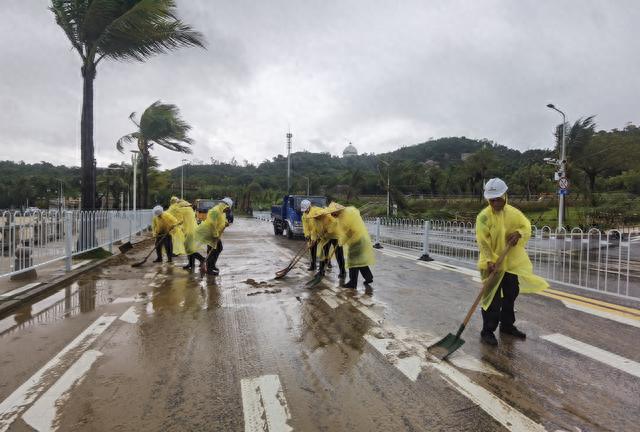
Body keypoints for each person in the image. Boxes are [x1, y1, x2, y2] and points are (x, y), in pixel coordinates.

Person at [476, 178, 549, 346]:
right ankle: (487, 331)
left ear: (505, 196)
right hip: (491, 264)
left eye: (498, 198)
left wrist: (519, 233)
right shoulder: (483, 218)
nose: (495, 202)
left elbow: (526, 226)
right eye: (492, 199)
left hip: (510, 263)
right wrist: (489, 260)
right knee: (492, 298)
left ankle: (507, 325)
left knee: (511, 294)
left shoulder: (514, 213)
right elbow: (483, 242)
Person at [326, 203, 374, 289]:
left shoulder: (345, 216)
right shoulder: (346, 213)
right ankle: (368, 277)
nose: (332, 215)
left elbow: (350, 231)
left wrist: (342, 241)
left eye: (333, 213)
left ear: (337, 211)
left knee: (352, 261)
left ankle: (353, 282)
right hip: (360, 239)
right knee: (359, 260)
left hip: (357, 240)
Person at [195, 197, 232, 275]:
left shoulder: (221, 211)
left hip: (215, 233)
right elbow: (212, 223)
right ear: (226, 205)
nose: (228, 211)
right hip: (210, 233)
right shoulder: (215, 211)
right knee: (213, 250)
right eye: (228, 209)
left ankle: (212, 265)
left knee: (217, 248)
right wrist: (215, 235)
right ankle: (209, 269)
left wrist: (225, 223)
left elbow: (221, 219)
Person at [168, 196, 205, 271]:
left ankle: (202, 259)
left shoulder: (182, 210)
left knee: (189, 250)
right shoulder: (189, 209)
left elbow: (180, 221)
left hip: (189, 232)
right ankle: (191, 264)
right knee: (190, 249)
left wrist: (173, 225)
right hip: (192, 231)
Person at [312, 203, 346, 279]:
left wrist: (327, 231)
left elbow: (334, 224)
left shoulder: (329, 217)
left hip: (336, 236)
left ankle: (342, 272)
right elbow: (315, 230)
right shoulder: (315, 219)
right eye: (315, 216)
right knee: (323, 253)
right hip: (326, 237)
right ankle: (321, 271)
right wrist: (315, 237)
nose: (316, 217)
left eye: (317, 216)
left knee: (339, 254)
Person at [301, 199, 319, 271]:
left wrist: (315, 237)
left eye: (306, 209)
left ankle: (327, 263)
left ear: (309, 206)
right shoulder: (304, 215)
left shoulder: (315, 212)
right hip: (311, 234)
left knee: (322, 251)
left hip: (319, 233)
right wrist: (307, 235)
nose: (305, 211)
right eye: (304, 210)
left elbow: (316, 225)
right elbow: (305, 226)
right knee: (312, 250)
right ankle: (313, 265)